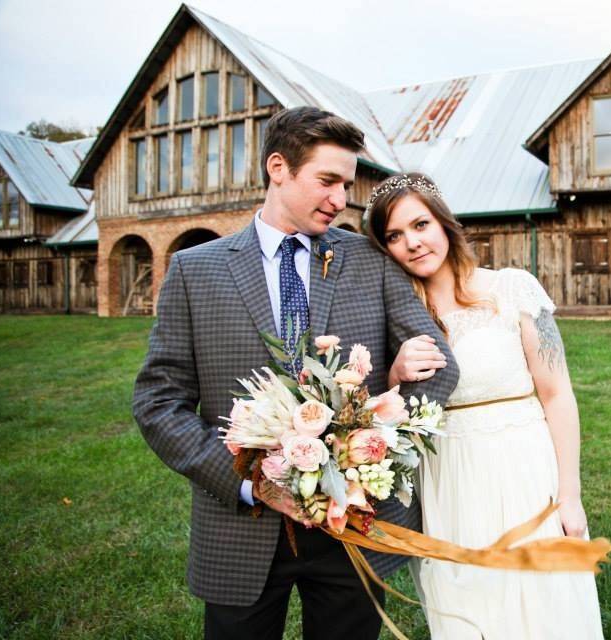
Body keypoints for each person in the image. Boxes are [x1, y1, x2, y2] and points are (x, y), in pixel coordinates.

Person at [132, 109, 458, 640]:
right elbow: (158, 402)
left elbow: (439, 364)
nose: (339, 199)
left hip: (355, 524)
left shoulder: (371, 259)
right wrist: (249, 483)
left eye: (346, 185)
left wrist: (371, 446)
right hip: (240, 527)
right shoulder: (195, 270)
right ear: (278, 167)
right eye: (326, 181)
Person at [366, 173, 605, 639]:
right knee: (466, 605)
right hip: (446, 479)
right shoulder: (396, 313)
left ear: (443, 222)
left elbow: (557, 394)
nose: (412, 243)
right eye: (394, 236)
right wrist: (395, 375)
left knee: (541, 604)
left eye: (420, 224)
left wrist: (570, 497)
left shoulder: (512, 288)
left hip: (520, 469)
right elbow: (380, 409)